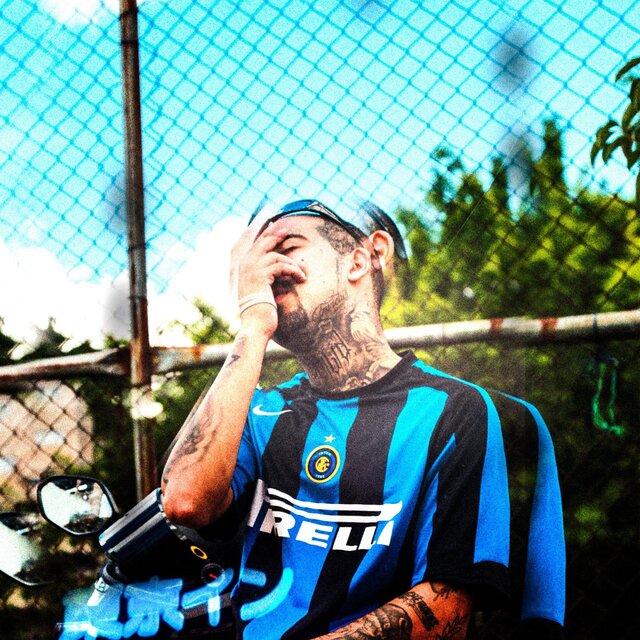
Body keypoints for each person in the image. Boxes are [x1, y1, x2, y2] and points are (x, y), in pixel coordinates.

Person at [161, 199, 565, 639]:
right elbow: (185, 502)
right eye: (254, 264)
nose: (267, 272)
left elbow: (445, 611)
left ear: (359, 260)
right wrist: (251, 328)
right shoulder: (260, 413)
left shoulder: (454, 410)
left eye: (287, 248)